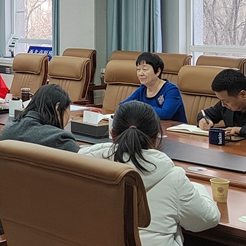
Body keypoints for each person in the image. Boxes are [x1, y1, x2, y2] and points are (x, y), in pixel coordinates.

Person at [80, 101, 220, 246]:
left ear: (112, 134)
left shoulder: (80, 165)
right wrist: (198, 188)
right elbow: (207, 220)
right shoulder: (173, 178)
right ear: (156, 138)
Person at [0, 84, 79, 237]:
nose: (68, 120)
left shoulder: (8, 130)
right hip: (35, 229)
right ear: (57, 108)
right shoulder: (61, 141)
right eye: (68, 113)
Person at [120, 52, 187, 122]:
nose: (140, 73)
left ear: (158, 71)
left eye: (145, 69)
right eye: (138, 69)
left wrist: (139, 107)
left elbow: (165, 114)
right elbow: (122, 106)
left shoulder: (171, 90)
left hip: (172, 128)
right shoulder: (142, 89)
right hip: (149, 126)